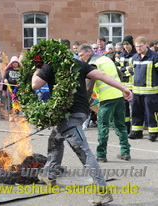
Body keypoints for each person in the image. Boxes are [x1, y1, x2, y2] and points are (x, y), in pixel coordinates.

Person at [32, 43, 132, 205]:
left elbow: (35, 85)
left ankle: (102, 191)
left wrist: (37, 69)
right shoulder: (77, 63)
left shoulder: (49, 66)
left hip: (69, 115)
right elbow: (102, 75)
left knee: (84, 153)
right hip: (80, 112)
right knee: (55, 140)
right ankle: (49, 175)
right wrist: (123, 88)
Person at [78, 44, 131, 162]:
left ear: (88, 52)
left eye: (81, 55)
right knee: (120, 124)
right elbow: (120, 74)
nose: (80, 58)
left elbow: (88, 88)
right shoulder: (106, 59)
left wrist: (84, 103)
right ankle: (125, 152)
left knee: (103, 126)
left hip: (107, 99)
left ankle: (101, 154)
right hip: (118, 95)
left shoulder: (92, 64)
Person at [129, 36, 158, 142]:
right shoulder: (134, 58)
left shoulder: (155, 57)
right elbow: (131, 72)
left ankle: (153, 133)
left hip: (151, 92)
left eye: (140, 46)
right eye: (136, 47)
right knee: (136, 112)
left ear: (146, 44)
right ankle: (136, 132)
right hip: (136, 91)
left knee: (151, 114)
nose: (138, 49)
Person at [117, 35, 137, 134]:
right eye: (124, 44)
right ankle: (126, 129)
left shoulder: (136, 55)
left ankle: (135, 130)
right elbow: (116, 69)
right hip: (123, 86)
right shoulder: (120, 55)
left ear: (131, 44)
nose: (126, 46)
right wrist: (125, 69)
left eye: (127, 44)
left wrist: (124, 71)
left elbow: (134, 69)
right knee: (124, 110)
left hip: (134, 86)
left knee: (134, 109)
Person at [4, 56, 22, 121]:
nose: (14, 64)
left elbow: (23, 78)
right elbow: (5, 77)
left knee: (17, 101)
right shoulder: (8, 70)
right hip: (10, 88)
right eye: (13, 62)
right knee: (10, 102)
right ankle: (10, 115)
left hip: (17, 88)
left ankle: (16, 115)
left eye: (16, 62)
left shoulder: (20, 70)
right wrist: (5, 80)